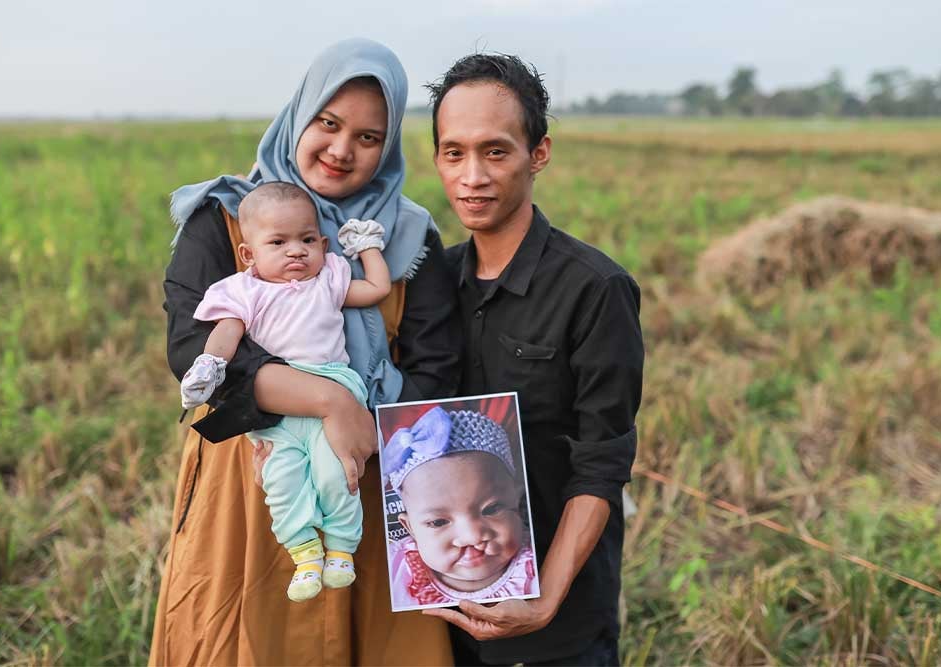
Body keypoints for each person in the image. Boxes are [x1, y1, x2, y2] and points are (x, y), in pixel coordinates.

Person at [150, 38, 460, 666]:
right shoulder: (229, 218)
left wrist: (360, 430)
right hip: (249, 476)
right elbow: (193, 346)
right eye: (328, 122)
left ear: (390, 144)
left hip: (365, 474)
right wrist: (327, 400)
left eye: (369, 137)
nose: (342, 150)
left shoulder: (406, 235)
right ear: (300, 114)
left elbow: (434, 364)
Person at [424, 54, 644, 666]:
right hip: (441, 611)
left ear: (538, 153)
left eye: (496, 152)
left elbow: (603, 459)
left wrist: (544, 598)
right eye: (453, 153)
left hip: (556, 625)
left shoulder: (595, 289)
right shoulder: (429, 284)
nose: (472, 176)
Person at [179, 182, 393, 602]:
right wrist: (210, 364)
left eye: (307, 240)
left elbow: (377, 290)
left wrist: (367, 247)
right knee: (281, 478)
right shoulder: (244, 291)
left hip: (333, 383)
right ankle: (304, 552)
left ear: (323, 244)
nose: (296, 250)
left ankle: (341, 548)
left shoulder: (328, 278)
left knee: (337, 472)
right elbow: (227, 332)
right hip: (278, 399)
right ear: (248, 254)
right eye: (279, 242)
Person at [382, 406, 537, 609]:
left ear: (517, 502)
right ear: (410, 527)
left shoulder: (538, 563)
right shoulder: (396, 571)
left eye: (491, 509)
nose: (471, 537)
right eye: (438, 522)